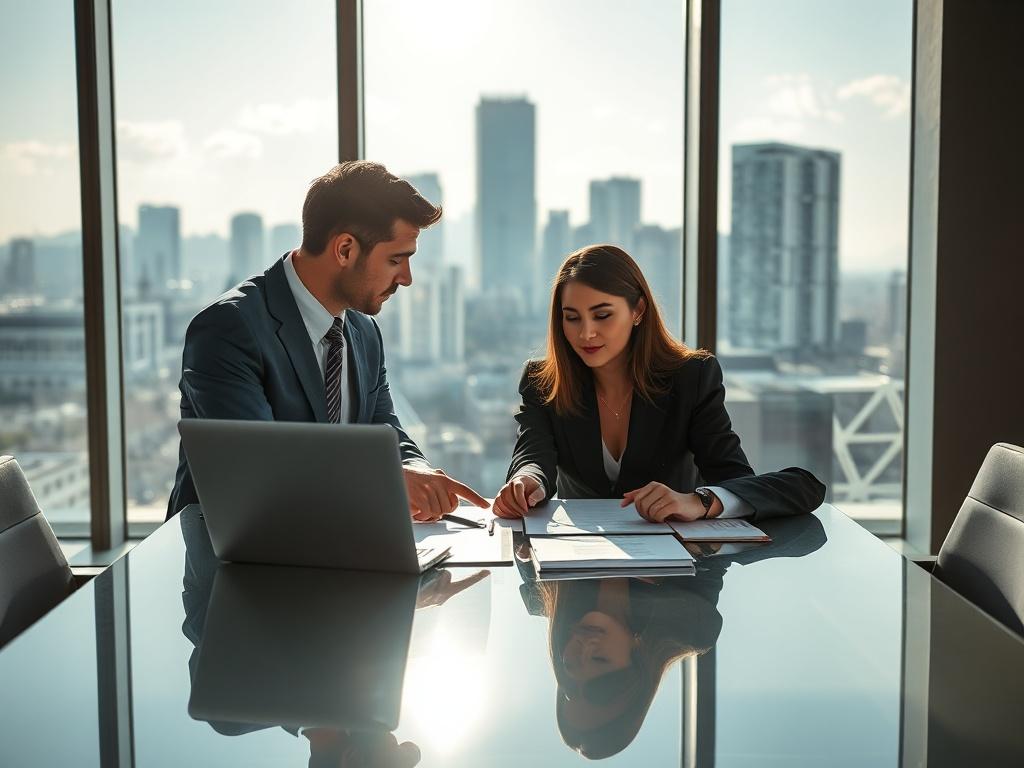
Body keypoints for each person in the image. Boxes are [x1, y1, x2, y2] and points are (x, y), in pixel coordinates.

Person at [167, 161, 487, 522]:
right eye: (396, 259)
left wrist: (415, 468)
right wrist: (386, 481)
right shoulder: (228, 330)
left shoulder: (364, 334)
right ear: (345, 250)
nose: (407, 278)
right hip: (235, 560)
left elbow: (383, 431)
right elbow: (258, 471)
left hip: (338, 546)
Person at [494, 244, 825, 521]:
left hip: (680, 581)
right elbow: (532, 454)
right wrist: (526, 481)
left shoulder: (691, 377)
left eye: (603, 315)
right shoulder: (541, 382)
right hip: (576, 576)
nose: (586, 333)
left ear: (637, 310)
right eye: (572, 317)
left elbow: (755, 481)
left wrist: (697, 502)